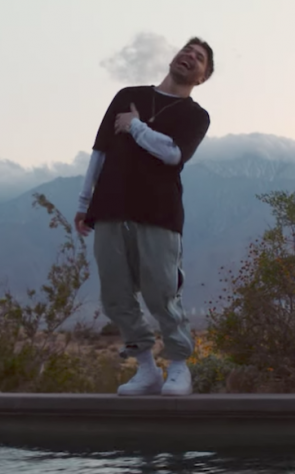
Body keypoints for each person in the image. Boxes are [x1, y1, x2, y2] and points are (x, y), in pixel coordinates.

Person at [75, 37, 214, 396]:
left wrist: (136, 126)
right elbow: (100, 151)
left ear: (202, 77)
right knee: (115, 294)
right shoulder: (128, 95)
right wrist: (84, 202)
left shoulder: (196, 116)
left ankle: (179, 367)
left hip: (159, 212)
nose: (189, 56)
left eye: (199, 57)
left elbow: (172, 154)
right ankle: (147, 369)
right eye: (187, 50)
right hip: (110, 207)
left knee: (162, 292)